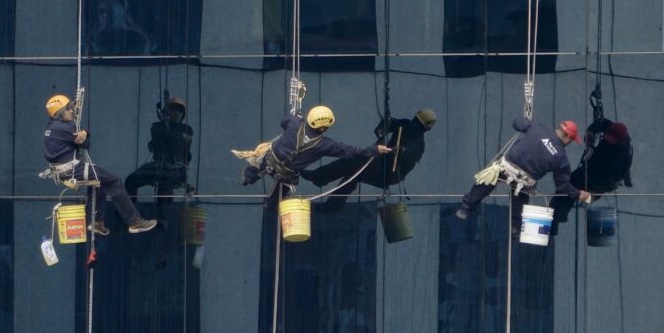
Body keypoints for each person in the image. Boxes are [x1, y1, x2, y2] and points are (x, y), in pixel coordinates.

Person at [43, 94, 157, 235]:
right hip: (72, 169)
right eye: (68, 109)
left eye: (71, 108)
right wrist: (84, 133)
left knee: (99, 183)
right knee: (115, 181)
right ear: (59, 113)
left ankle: (96, 221)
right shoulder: (63, 127)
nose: (72, 111)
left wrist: (84, 132)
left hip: (65, 170)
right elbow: (86, 143)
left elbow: (82, 136)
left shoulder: (52, 126)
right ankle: (135, 222)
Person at [455, 117, 591, 227]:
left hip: (505, 168)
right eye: (572, 140)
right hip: (524, 181)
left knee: (487, 180)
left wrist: (527, 121)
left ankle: (466, 208)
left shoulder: (537, 128)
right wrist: (578, 194)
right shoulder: (561, 159)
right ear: (567, 137)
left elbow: (516, 122)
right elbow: (562, 185)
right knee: (521, 193)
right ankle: (515, 226)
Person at [233, 105, 391, 198]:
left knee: (259, 161)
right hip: (286, 174)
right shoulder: (324, 145)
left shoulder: (294, 123)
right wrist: (375, 149)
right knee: (279, 195)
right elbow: (350, 151)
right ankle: (271, 205)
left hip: (269, 159)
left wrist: (297, 120)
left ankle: (248, 178)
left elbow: (284, 121)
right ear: (323, 127)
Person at [302, 108, 436, 210]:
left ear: (424, 129)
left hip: (388, 174)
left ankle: (320, 179)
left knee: (353, 164)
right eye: (415, 120)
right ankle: (329, 200)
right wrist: (383, 128)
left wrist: (400, 151)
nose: (414, 124)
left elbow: (410, 154)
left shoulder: (419, 144)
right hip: (380, 164)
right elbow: (390, 124)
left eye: (418, 123)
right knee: (354, 172)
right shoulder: (406, 124)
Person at [550, 119, 633, 232]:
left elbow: (613, 181)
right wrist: (591, 132)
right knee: (566, 189)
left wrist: (596, 192)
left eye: (611, 140)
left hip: (598, 183)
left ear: (619, 141)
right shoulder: (612, 127)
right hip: (589, 170)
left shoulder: (623, 158)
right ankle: (555, 218)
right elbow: (601, 122)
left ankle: (555, 219)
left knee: (569, 189)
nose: (608, 141)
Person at [126, 97, 194, 203]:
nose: (176, 113)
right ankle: (131, 214)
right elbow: (158, 136)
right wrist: (164, 123)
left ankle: (163, 219)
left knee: (165, 182)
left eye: (179, 111)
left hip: (177, 169)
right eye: (173, 110)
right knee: (131, 180)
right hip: (158, 166)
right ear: (167, 112)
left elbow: (177, 142)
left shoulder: (187, 129)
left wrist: (167, 129)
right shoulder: (158, 126)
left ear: (183, 114)